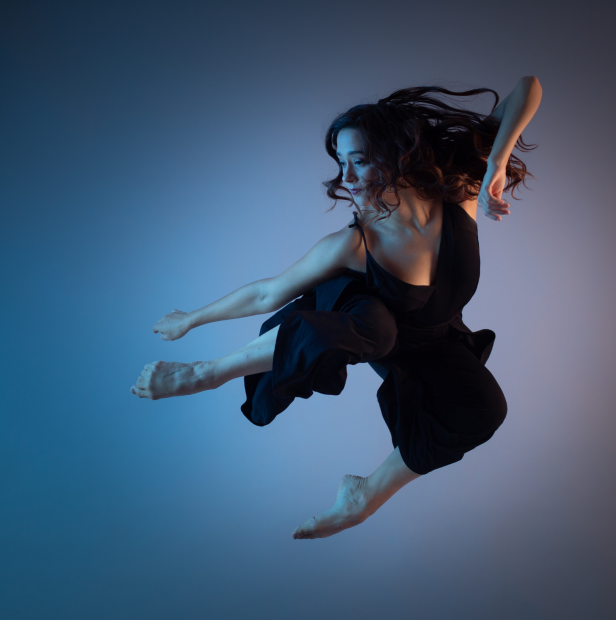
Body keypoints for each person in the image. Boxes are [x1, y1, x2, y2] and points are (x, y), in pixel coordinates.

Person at [131, 77, 542, 540]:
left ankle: (363, 496)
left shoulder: (462, 190)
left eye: (359, 161)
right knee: (377, 327)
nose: (345, 178)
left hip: (435, 340)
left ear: (396, 157)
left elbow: (527, 88)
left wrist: (497, 165)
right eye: (341, 163)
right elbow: (268, 293)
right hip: (365, 325)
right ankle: (206, 373)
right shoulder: (353, 244)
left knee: (484, 410)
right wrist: (191, 319)